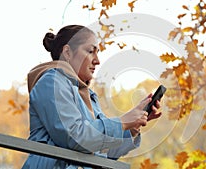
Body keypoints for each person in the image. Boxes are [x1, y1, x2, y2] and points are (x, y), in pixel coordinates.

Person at [22, 24, 162, 169]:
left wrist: (132, 126)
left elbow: (102, 151)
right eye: (90, 51)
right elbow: (76, 138)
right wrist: (122, 123)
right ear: (67, 52)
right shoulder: (52, 82)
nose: (97, 60)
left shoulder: (87, 96)